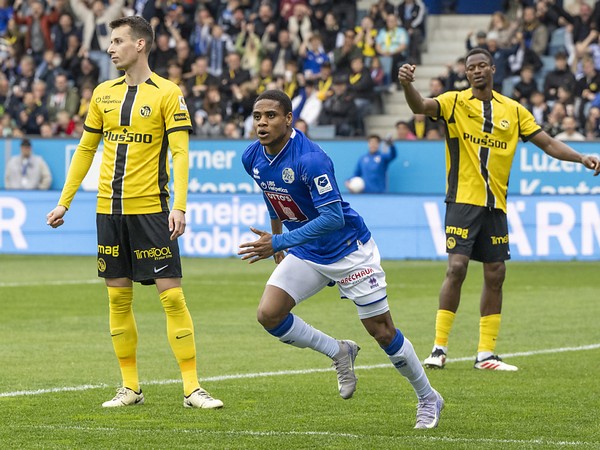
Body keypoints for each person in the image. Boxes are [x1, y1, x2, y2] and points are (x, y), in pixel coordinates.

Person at [238, 90, 443, 429]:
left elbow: (332, 218)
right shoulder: (252, 156)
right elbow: (272, 195)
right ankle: (338, 351)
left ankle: (428, 397)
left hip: (348, 249)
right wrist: (276, 240)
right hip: (307, 249)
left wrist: (280, 240)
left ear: (288, 119)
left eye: (271, 116)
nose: (262, 123)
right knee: (269, 314)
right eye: (257, 116)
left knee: (382, 331)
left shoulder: (311, 160)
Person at [46, 16, 222, 409]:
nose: (110, 48)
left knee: (172, 298)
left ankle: (192, 388)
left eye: (117, 41)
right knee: (117, 301)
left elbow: (180, 154)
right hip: (108, 212)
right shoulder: (102, 94)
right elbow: (86, 150)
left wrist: (179, 205)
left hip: (151, 210)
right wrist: (64, 201)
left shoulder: (168, 93)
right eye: (110, 42)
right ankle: (130, 387)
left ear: (140, 44)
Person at [398, 48, 600, 371]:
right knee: (457, 268)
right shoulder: (454, 102)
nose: (477, 71)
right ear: (466, 74)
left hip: (496, 205)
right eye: (471, 68)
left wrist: (581, 157)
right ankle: (439, 348)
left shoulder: (514, 111)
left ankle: (486, 354)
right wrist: (408, 85)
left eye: (482, 66)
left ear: (493, 69)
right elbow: (420, 106)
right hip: (462, 200)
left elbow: (548, 143)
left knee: (496, 274)